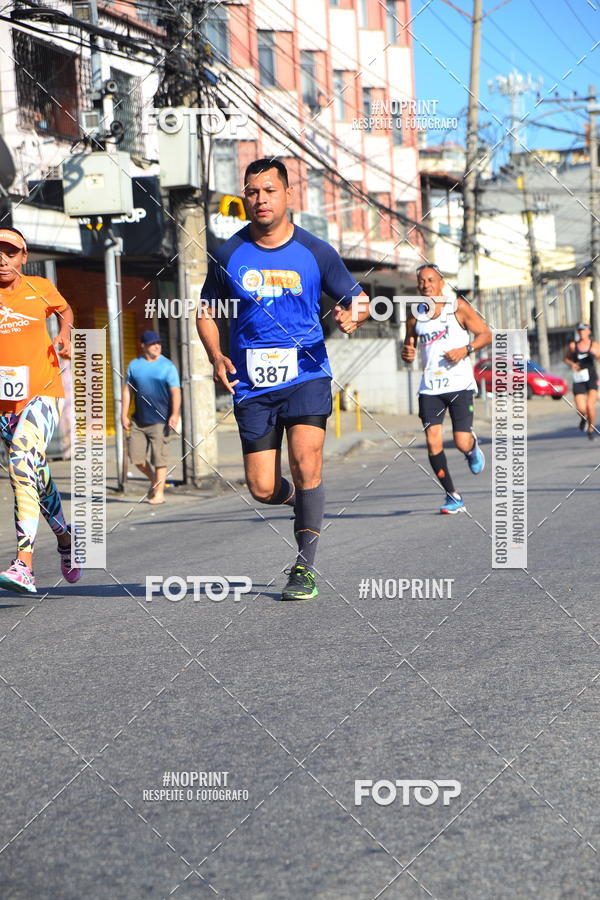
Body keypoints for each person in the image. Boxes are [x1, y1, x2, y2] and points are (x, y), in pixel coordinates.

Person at [197, 158, 370, 600]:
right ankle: (302, 500)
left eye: (269, 191)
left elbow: (357, 296)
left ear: (288, 195)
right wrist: (217, 355)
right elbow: (205, 312)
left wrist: (354, 314)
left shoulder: (316, 251)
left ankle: (305, 567)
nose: (260, 199)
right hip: (253, 382)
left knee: (306, 461)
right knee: (262, 487)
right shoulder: (227, 253)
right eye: (252, 192)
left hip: (308, 372)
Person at [0, 227, 81, 593]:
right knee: (35, 475)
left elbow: (65, 309)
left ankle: (24, 564)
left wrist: (64, 334)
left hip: (43, 394)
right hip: (5, 406)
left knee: (20, 461)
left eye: (10, 252)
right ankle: (66, 540)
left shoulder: (39, 287)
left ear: (23, 257)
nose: (3, 259)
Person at [402, 263, 492, 514]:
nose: (426, 285)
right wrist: (406, 353)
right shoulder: (415, 314)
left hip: (459, 385)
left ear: (441, 282)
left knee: (460, 441)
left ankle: (471, 448)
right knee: (433, 442)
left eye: (431, 280)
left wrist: (466, 349)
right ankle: (452, 495)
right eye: (422, 281)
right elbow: (408, 348)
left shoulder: (458, 308)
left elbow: (486, 334)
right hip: (430, 387)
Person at [122, 330, 181, 503]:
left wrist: (175, 414)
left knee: (159, 459)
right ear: (143, 346)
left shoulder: (167, 366)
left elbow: (175, 391)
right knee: (137, 458)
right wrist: (123, 414)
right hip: (139, 420)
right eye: (152, 343)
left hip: (161, 420)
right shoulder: (135, 365)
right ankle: (155, 481)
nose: (157, 346)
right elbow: (128, 390)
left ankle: (159, 494)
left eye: (158, 343)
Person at [563, 323, 599, 440]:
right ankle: (583, 418)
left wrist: (596, 355)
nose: (581, 332)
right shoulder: (573, 346)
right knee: (581, 409)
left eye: (584, 330)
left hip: (591, 378)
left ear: (589, 331)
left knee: (590, 405)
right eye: (579, 330)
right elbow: (565, 358)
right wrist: (572, 364)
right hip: (578, 378)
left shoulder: (595, 345)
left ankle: (590, 428)